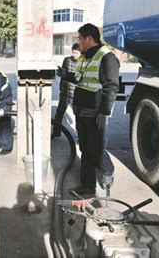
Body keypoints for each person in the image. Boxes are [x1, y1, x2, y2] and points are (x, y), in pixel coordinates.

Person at [57, 23, 120, 196]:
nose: (78, 42)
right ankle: (87, 186)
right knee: (85, 148)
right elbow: (80, 79)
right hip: (82, 110)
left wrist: (104, 112)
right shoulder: (85, 57)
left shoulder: (107, 57)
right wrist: (65, 75)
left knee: (95, 149)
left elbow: (112, 87)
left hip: (95, 112)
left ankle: (107, 170)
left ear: (89, 39)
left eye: (80, 38)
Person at [52, 43, 81, 139]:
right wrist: (61, 87)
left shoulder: (83, 62)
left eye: (76, 53)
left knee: (78, 116)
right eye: (73, 52)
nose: (74, 54)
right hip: (65, 92)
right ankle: (56, 132)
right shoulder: (67, 60)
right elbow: (63, 75)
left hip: (76, 94)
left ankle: (79, 136)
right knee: (59, 113)